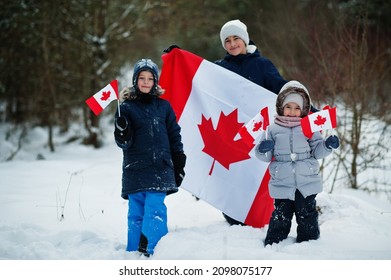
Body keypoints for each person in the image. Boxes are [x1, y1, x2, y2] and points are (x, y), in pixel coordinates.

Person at [216, 19, 288, 225]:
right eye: (227, 41)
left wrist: (308, 108)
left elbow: (282, 90)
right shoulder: (219, 68)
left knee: (257, 173)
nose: (231, 44)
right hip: (231, 133)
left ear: (245, 40)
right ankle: (233, 213)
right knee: (234, 172)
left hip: (260, 132)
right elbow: (198, 81)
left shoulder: (262, 64)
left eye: (236, 38)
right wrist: (177, 57)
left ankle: (259, 214)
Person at [114, 58, 186, 257]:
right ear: (135, 80)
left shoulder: (163, 107)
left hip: (159, 168)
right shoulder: (125, 108)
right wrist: (122, 131)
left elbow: (174, 134)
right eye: (141, 78)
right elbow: (123, 143)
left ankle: (153, 250)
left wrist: (178, 159)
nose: (146, 82)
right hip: (135, 169)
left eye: (150, 78)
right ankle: (133, 252)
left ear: (155, 82)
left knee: (154, 209)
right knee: (136, 213)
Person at [254, 80, 340, 246]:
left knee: (306, 213)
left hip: (306, 181)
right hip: (282, 181)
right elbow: (264, 156)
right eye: (288, 107)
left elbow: (317, 151)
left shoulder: (309, 127)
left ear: (304, 110)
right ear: (281, 107)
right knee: (281, 214)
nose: (292, 112)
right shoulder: (272, 129)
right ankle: (274, 242)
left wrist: (327, 145)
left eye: (297, 108)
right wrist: (263, 149)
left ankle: (309, 243)